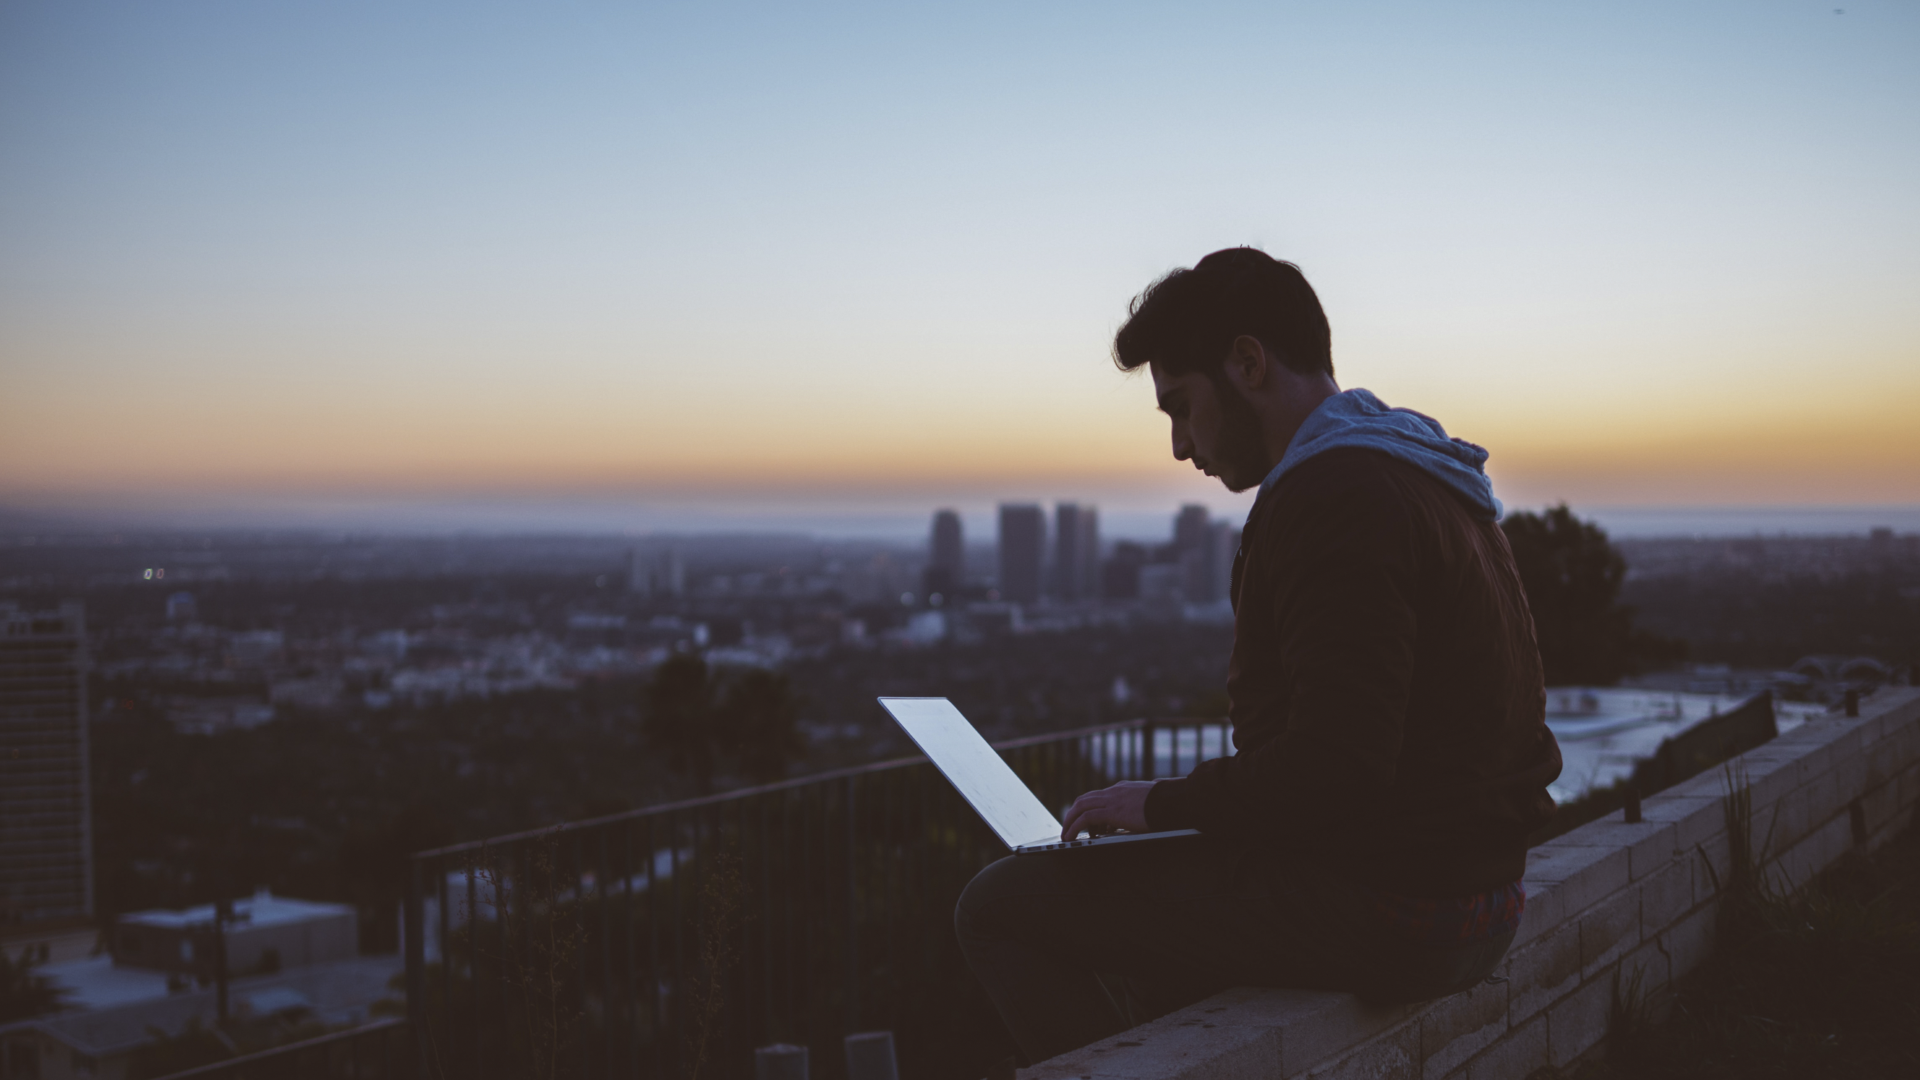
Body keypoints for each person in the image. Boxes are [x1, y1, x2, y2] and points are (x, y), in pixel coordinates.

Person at [954, 248, 1564, 1065]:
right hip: (1475, 892)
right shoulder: (1423, 473)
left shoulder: (1334, 496)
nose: (1180, 446)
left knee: (998, 905)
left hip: (1404, 910)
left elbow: (1339, 765)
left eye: (1181, 407)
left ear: (1247, 362)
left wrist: (1161, 805)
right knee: (1158, 911)